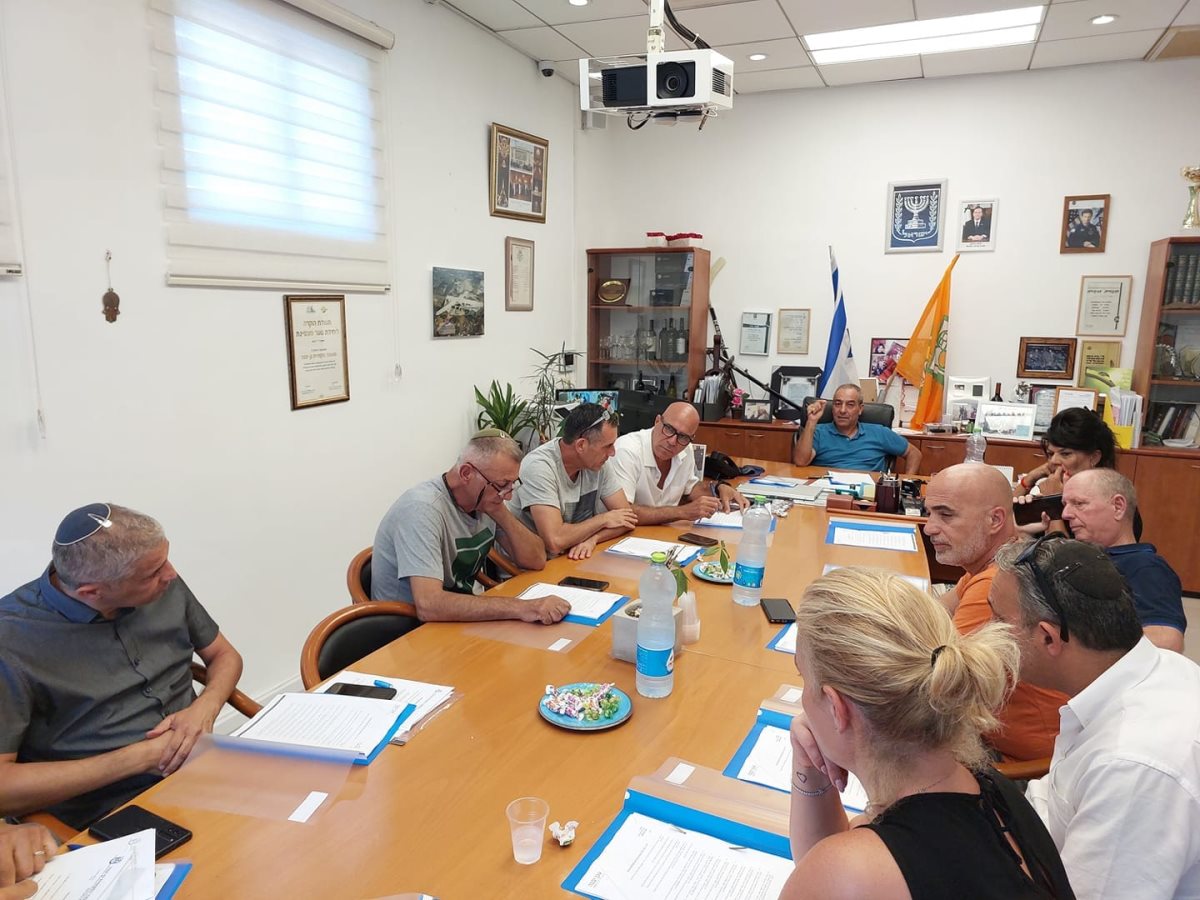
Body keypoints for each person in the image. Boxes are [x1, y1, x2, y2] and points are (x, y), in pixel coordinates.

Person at [781, 567, 1073, 900]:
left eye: (803, 678)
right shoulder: (985, 789)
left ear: (837, 708)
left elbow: (823, 876)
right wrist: (809, 766)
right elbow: (818, 868)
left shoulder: (855, 871)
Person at [0, 504, 244, 830]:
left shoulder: (161, 580)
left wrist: (205, 707)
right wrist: (140, 758)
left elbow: (224, 655)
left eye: (165, 561)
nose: (170, 574)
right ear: (92, 592)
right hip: (110, 810)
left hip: (206, 767)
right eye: (153, 573)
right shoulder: (11, 640)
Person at [990, 536, 1200, 899]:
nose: (987, 634)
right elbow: (1056, 804)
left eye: (997, 621)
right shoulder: (1152, 669)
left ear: (1048, 638)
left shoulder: (1131, 765)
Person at [923, 464, 1066, 761]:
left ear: (995, 520)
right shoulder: (999, 561)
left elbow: (936, 675)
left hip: (1013, 761)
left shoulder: (997, 583)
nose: (929, 528)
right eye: (929, 513)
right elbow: (928, 612)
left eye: (945, 515)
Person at [371, 431, 567, 624]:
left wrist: (500, 512)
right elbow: (429, 605)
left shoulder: (485, 500)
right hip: (407, 628)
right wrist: (523, 607)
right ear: (466, 473)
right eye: (502, 485)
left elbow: (536, 560)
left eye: (512, 484)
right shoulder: (422, 509)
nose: (508, 495)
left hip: (452, 619)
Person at [1060, 468, 1185, 651]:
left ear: (1118, 507)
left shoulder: (1144, 567)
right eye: (1064, 505)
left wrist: (1072, 641)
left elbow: (1167, 642)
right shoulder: (1087, 558)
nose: (1065, 514)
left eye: (1079, 503)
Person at [509, 403, 637, 560]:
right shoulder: (539, 467)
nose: (612, 453)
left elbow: (627, 519)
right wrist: (603, 519)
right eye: (608, 446)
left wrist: (593, 539)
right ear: (581, 445)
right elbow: (555, 541)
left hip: (570, 558)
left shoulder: (597, 462)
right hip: (533, 566)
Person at [610, 401, 748, 525]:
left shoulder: (686, 449)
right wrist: (682, 512)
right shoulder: (627, 450)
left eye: (683, 436)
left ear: (691, 438)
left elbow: (690, 489)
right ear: (657, 421)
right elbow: (622, 513)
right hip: (627, 536)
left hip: (662, 533)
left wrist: (718, 488)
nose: (672, 442)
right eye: (669, 429)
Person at [1013, 408, 1141, 537]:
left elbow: (1064, 549)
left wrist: (1052, 504)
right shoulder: (1051, 490)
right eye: (1051, 454)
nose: (1053, 461)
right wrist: (1030, 479)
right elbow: (1008, 520)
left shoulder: (1107, 504)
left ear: (1094, 457)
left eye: (1065, 454)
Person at [792, 384, 922, 473]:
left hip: (868, 494)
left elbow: (914, 454)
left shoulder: (879, 432)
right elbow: (800, 461)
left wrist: (906, 483)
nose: (842, 410)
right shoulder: (818, 431)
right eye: (837, 404)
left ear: (860, 409)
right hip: (827, 490)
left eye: (850, 405)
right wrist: (811, 422)